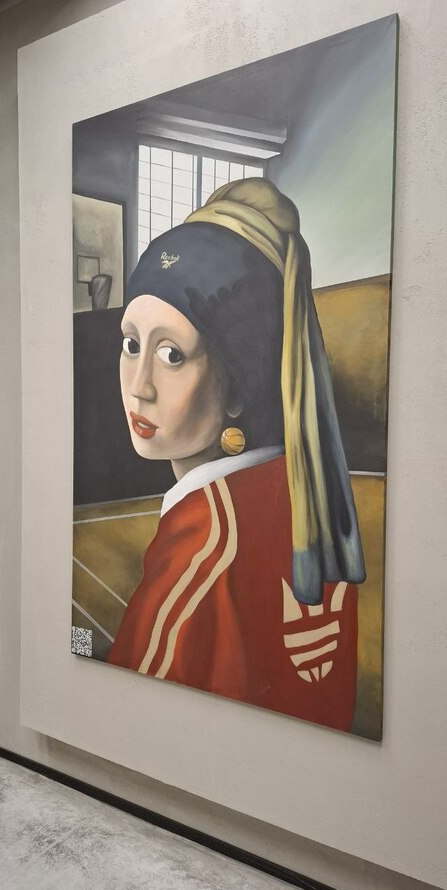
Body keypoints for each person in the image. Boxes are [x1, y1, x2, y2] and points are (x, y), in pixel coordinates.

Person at [108, 178, 365, 732]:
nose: (139, 386)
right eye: (131, 344)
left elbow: (126, 725)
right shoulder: (311, 500)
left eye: (172, 355)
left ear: (238, 384)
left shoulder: (200, 557)